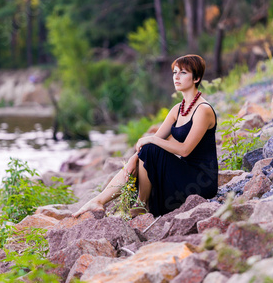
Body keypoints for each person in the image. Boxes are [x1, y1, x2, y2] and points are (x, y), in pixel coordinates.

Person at [73, 54, 219, 218]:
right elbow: (148, 148)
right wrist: (133, 159)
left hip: (200, 181)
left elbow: (184, 150)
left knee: (150, 148)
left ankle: (142, 204)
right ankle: (98, 200)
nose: (176, 77)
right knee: (143, 153)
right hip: (182, 174)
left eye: (183, 73)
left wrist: (151, 140)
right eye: (175, 72)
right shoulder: (178, 109)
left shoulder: (203, 110)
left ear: (196, 78)